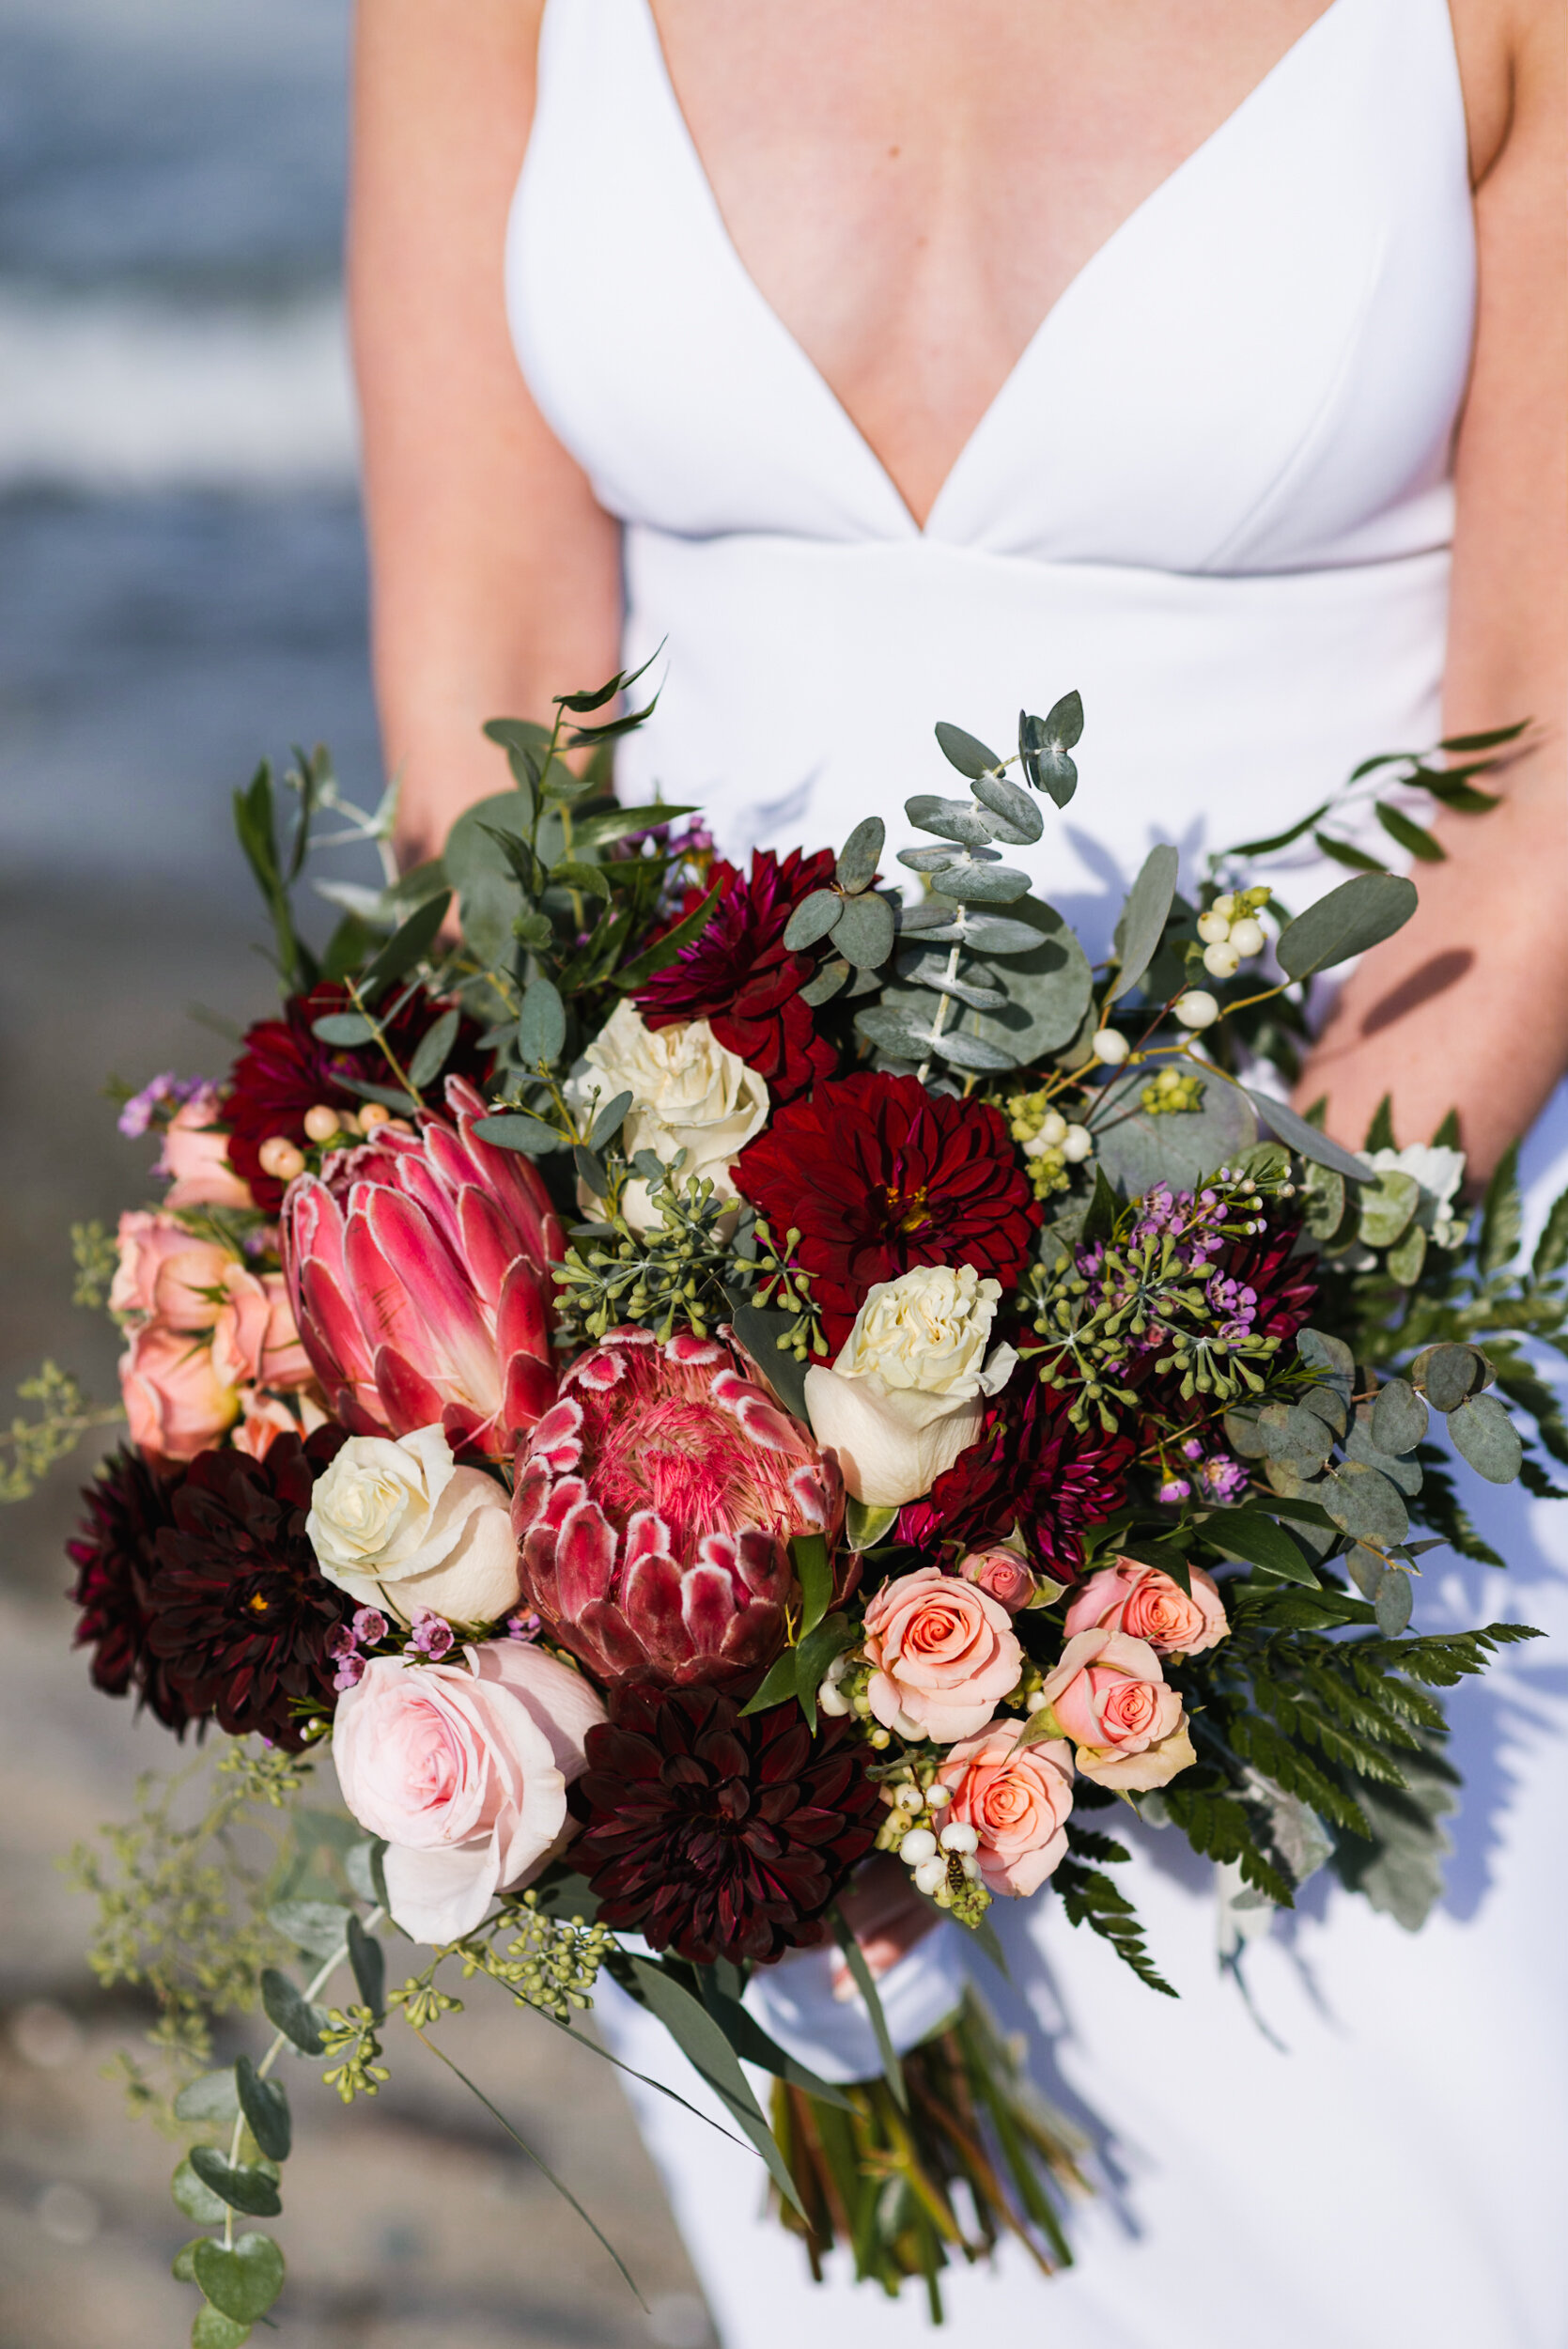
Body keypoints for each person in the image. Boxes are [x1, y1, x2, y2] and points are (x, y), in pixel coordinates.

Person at [347, 5, 1568, 2343]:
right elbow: (492, 707)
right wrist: (626, 1442)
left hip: (1361, 1376)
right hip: (703, 1388)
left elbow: (1527, 816)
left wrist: (1138, 1455)